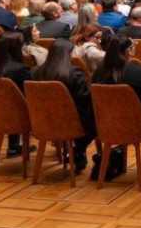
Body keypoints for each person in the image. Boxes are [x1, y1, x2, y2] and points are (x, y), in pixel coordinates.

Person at [94, 36, 141, 166]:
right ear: (129, 50)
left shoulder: (99, 72)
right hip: (139, 125)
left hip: (107, 124)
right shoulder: (139, 72)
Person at [31, 40, 96, 173]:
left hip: (43, 121)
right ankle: (79, 150)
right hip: (72, 123)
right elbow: (84, 101)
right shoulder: (75, 73)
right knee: (96, 119)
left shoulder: (35, 72)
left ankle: (78, 152)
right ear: (69, 54)